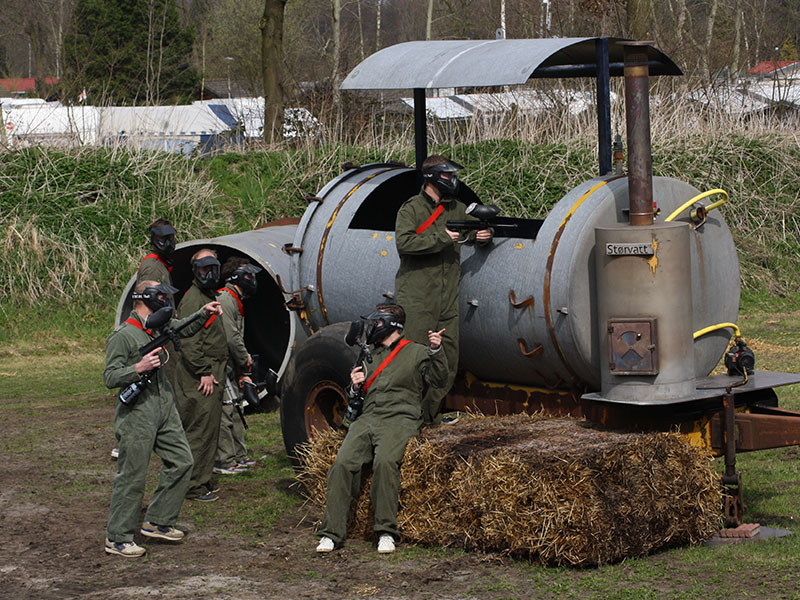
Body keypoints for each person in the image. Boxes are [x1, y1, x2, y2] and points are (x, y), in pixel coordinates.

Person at [315, 304, 448, 554]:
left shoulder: (417, 353)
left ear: (389, 324)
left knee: (385, 462)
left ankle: (385, 531)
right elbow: (356, 397)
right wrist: (354, 388)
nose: (371, 328)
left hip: (401, 417)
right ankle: (331, 532)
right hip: (369, 418)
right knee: (342, 463)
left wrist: (436, 350)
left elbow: (439, 380)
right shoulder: (369, 355)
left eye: (375, 323)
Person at [103, 280, 222, 558]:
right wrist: (137, 368)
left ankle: (158, 521)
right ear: (146, 299)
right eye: (161, 297)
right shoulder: (123, 336)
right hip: (138, 413)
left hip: (164, 407)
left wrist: (203, 312)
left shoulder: (155, 328)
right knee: (132, 476)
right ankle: (118, 538)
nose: (167, 303)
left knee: (182, 461)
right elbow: (109, 376)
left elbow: (183, 330)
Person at [394, 156, 491, 423]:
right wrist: (441, 239)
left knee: (446, 363)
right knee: (414, 362)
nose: (452, 181)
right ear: (432, 178)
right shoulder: (411, 209)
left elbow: (470, 230)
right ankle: (407, 420)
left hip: (447, 301)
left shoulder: (456, 207)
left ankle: (429, 417)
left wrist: (482, 235)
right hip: (417, 300)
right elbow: (404, 243)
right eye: (447, 176)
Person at [174, 249, 229, 501]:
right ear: (196, 271)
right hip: (200, 375)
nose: (210, 274)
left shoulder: (206, 295)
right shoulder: (193, 299)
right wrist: (204, 372)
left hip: (211, 370)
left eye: (214, 269)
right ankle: (192, 485)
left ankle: (202, 479)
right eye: (205, 270)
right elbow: (189, 341)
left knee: (208, 428)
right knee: (198, 427)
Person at [213, 256, 262, 475]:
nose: (251, 279)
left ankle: (238, 455)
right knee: (225, 411)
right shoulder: (226, 299)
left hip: (230, 365)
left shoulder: (234, 300)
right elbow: (231, 337)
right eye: (247, 274)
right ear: (236, 277)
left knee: (234, 408)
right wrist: (245, 358)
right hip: (221, 364)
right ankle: (224, 460)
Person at [137, 219, 177, 286]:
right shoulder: (153, 268)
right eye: (162, 238)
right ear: (154, 238)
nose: (168, 242)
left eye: (170, 237)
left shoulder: (160, 263)